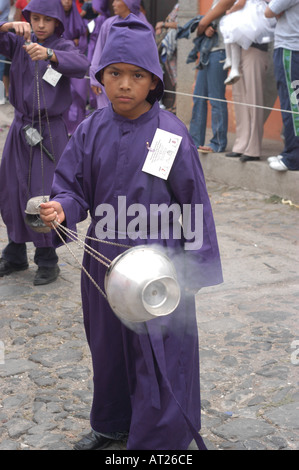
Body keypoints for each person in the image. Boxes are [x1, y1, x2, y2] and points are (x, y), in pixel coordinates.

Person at [40, 15, 223, 450]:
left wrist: (192, 272)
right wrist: (62, 209)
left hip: (160, 262)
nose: (124, 84)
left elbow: (194, 202)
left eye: (136, 75)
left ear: (154, 82)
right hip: (102, 261)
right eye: (115, 73)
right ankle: (111, 423)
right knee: (108, 349)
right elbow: (72, 188)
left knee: (160, 354)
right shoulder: (89, 130)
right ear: (101, 77)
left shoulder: (169, 134)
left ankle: (158, 442)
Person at [0, 0, 90, 285]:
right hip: (20, 127)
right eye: (34, 18)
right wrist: (6, 26)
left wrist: (50, 54)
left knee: (43, 193)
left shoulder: (63, 47)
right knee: (12, 188)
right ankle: (15, 250)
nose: (39, 25)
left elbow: (82, 65)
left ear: (57, 23)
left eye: (46, 20)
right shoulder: (18, 43)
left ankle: (47, 258)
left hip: (49, 132)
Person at [89, 0, 154, 110]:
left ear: (129, 3)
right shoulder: (108, 24)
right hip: (109, 79)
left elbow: (150, 61)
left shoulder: (145, 28)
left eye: (117, 0)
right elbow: (99, 51)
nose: (113, 4)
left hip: (133, 82)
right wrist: (95, 78)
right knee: (107, 116)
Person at [189, 0, 228, 154]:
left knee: (216, 98)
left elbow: (203, 23)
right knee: (198, 97)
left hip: (219, 51)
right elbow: (200, 29)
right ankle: (194, 141)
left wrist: (203, 26)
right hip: (208, 51)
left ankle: (218, 143)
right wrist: (203, 29)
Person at [265, 0, 299, 171]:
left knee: (292, 105)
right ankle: (290, 151)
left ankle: (293, 157)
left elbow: (269, 11)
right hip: (292, 48)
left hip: (290, 48)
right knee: (292, 103)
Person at [220, 0, 276, 85]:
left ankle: (231, 64)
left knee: (230, 31)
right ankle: (230, 62)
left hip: (249, 14)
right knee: (232, 34)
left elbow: (240, 4)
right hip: (258, 13)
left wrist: (230, 11)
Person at [61, 0, 89, 135]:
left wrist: (73, 45)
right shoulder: (55, 19)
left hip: (75, 62)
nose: (66, 2)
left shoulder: (78, 19)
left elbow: (82, 40)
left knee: (78, 95)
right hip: (59, 64)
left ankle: (77, 127)